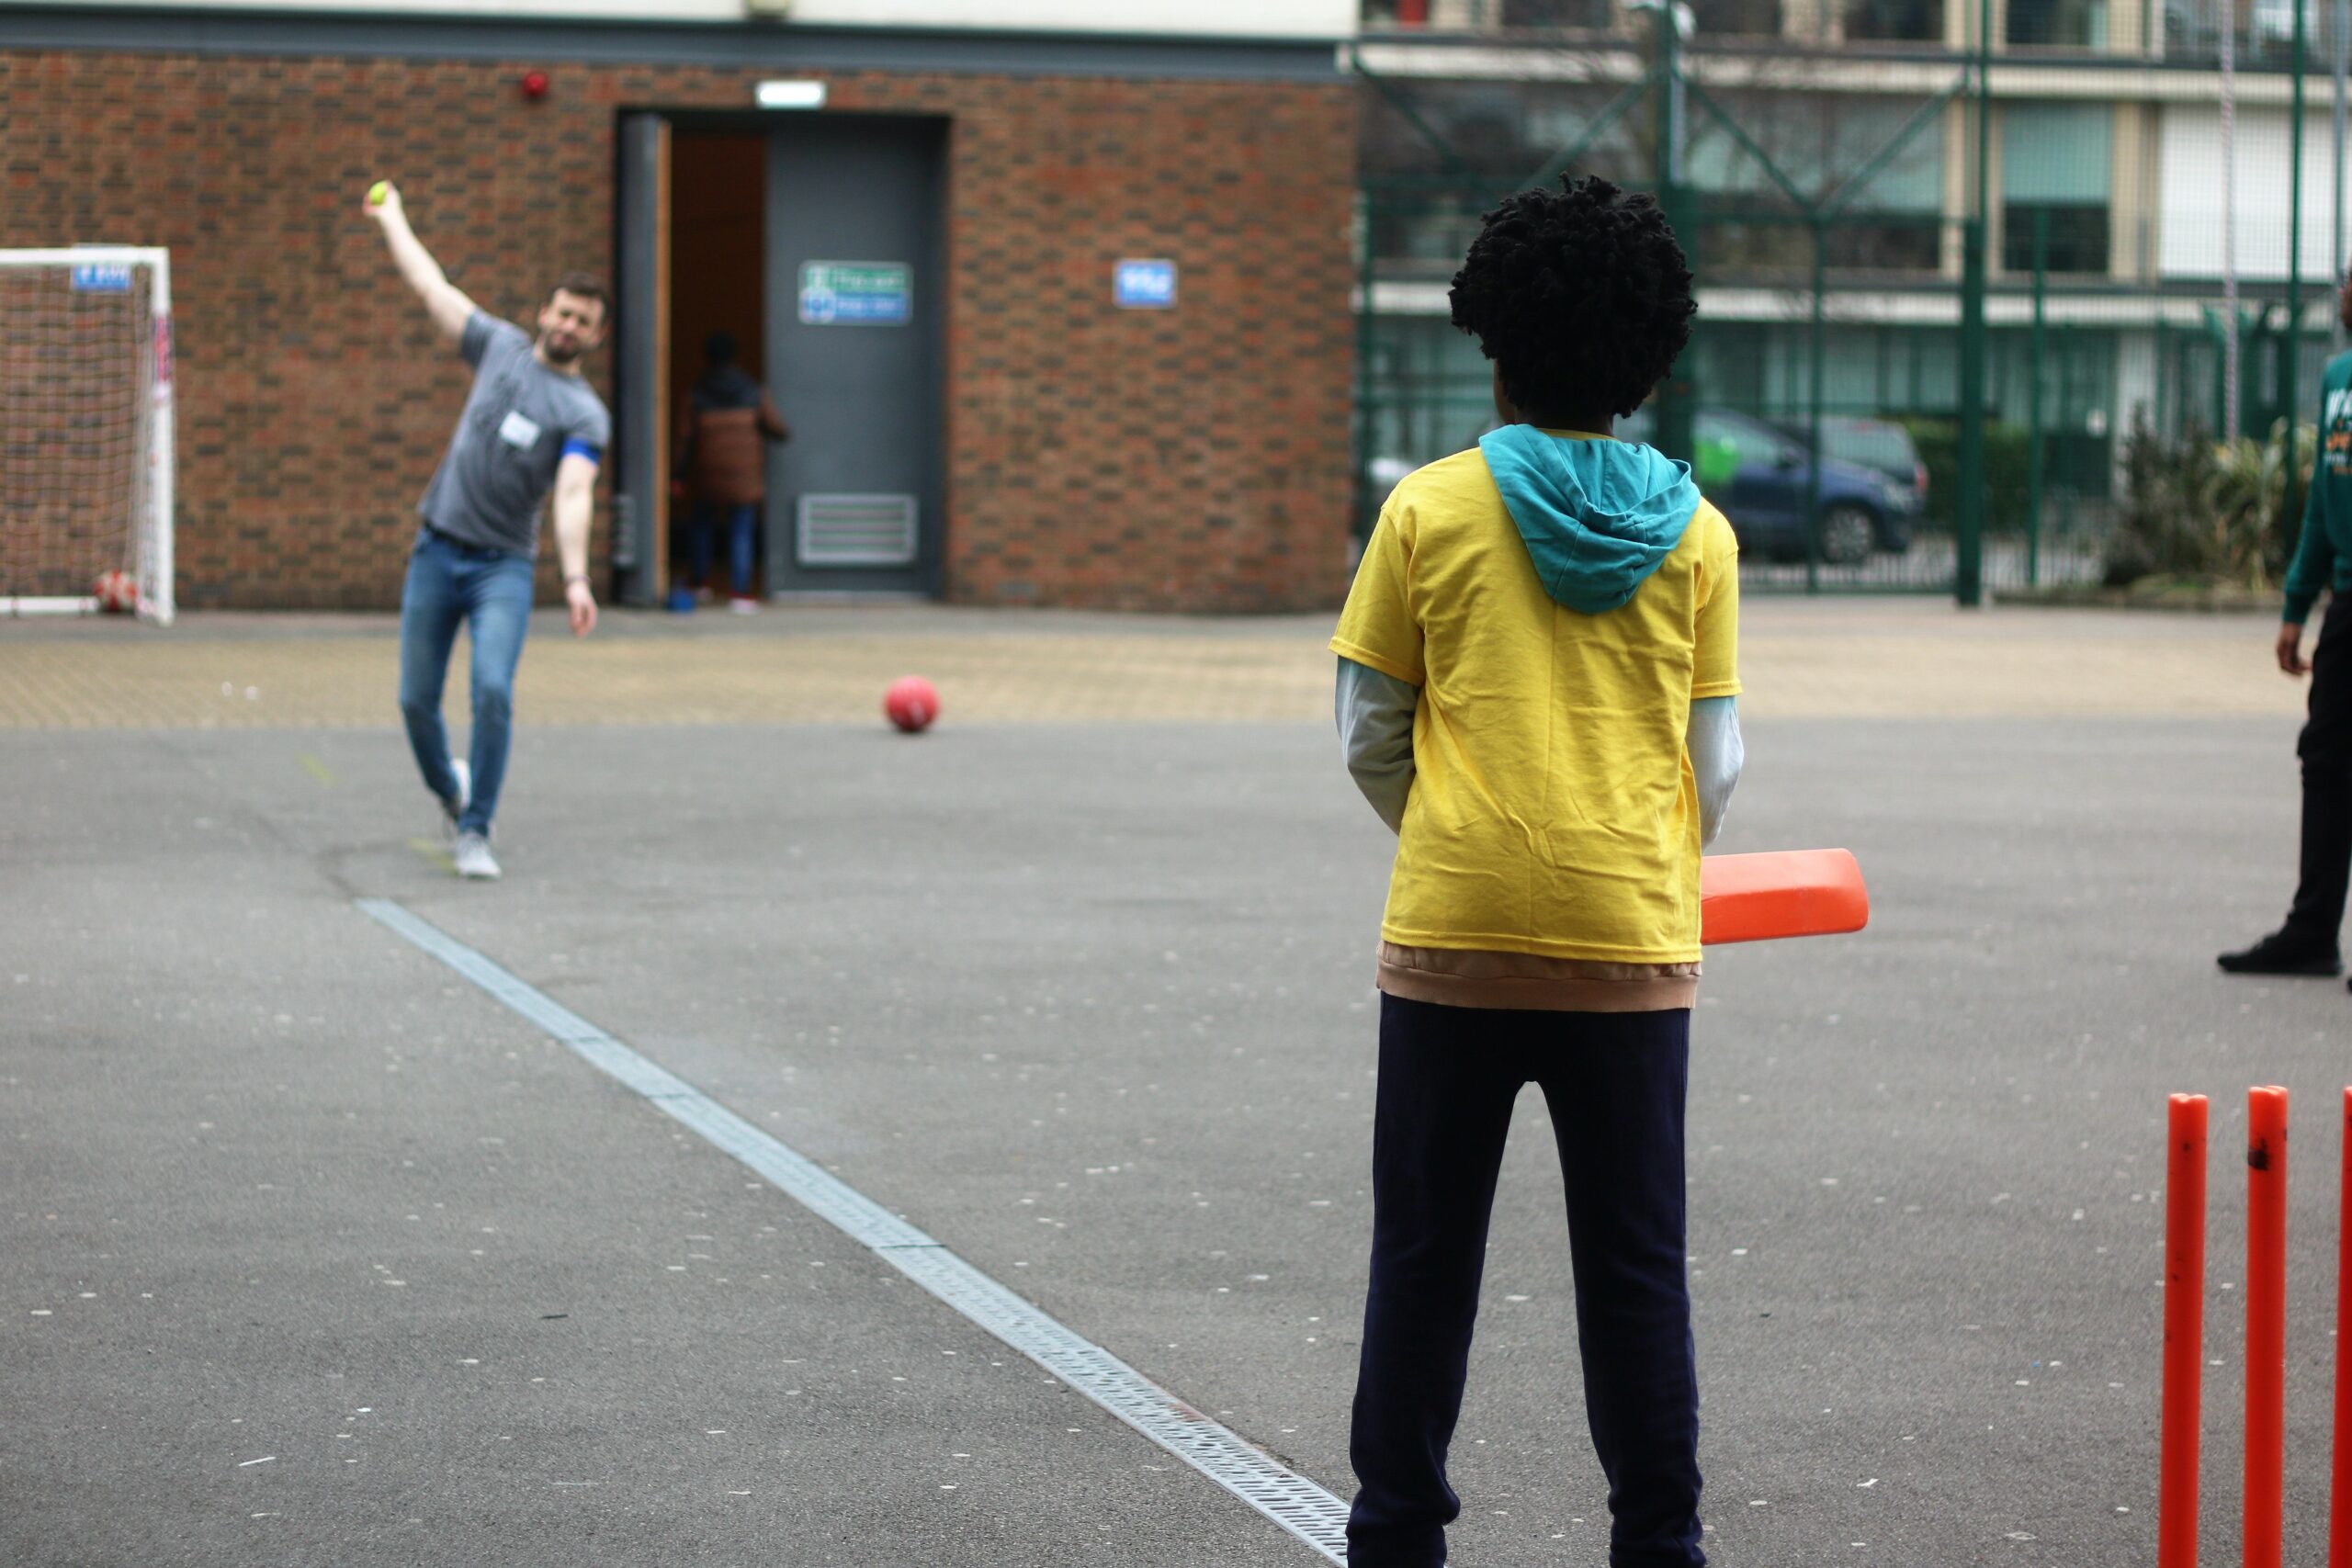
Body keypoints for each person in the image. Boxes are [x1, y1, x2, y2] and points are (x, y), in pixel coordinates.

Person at [1329, 173, 1743, 1568]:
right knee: (1635, 1268)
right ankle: (1660, 1541)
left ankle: (1396, 1533)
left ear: (1492, 340)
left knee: (1425, 1255)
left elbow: (1366, 733)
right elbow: (1720, 760)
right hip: (1629, 941)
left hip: (1453, 928)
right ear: (1647, 354)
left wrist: (1461, 829)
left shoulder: (1428, 512)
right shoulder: (1699, 534)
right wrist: (1631, 857)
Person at [365, 180, 610, 881]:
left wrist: (576, 577)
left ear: (594, 337)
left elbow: (572, 494)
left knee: (493, 690)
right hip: (437, 548)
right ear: (545, 312)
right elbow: (429, 285)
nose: (568, 327)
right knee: (415, 699)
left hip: (502, 567)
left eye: (583, 322)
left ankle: (477, 829)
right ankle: (451, 790)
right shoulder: (498, 346)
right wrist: (394, 218)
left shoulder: (584, 413)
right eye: (563, 313)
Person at [2219, 273, 2352, 984]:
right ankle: (2312, 931)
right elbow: (2323, 503)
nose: (2344, 289)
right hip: (2347, 605)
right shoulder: (2338, 378)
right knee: (2326, 758)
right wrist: (2297, 605)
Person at [675, 331, 790, 611]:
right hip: (744, 476)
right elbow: (777, 428)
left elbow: (683, 438)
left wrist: (677, 475)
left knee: (702, 527)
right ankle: (740, 594)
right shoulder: (752, 390)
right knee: (742, 530)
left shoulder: (697, 392)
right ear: (736, 356)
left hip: (707, 474)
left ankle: (701, 583)